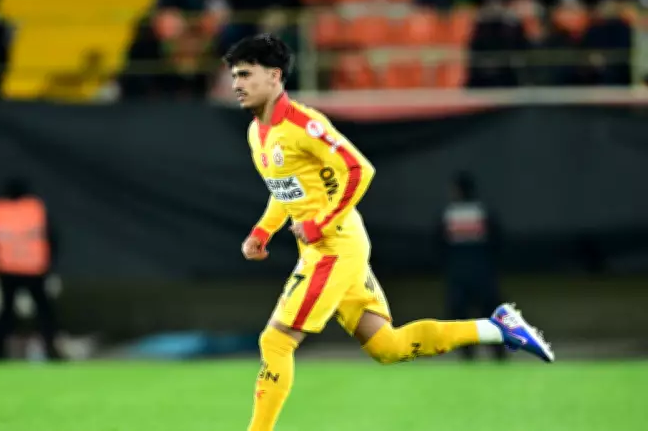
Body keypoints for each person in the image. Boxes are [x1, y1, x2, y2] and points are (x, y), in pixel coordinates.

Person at [226, 34, 555, 431]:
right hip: (325, 246)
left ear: (275, 76)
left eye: (245, 74)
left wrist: (320, 223)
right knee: (387, 346)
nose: (236, 84)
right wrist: (263, 231)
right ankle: (497, 327)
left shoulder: (303, 124)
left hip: (334, 246)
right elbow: (287, 192)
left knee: (276, 341)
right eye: (234, 76)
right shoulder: (257, 132)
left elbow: (359, 170)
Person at [0, 178, 62, 360]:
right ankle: (50, 348)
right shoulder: (34, 208)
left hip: (7, 268)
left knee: (7, 312)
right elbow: (51, 235)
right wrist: (50, 260)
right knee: (43, 311)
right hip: (33, 267)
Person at [437, 172, 507, 362]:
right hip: (483, 270)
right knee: (490, 312)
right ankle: (498, 352)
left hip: (459, 272)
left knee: (461, 314)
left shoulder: (448, 215)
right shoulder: (484, 212)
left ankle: (468, 352)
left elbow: (439, 245)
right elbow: (498, 241)